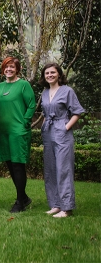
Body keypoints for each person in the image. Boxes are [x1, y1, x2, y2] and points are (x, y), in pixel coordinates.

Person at [39, 63, 84, 218]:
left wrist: (65, 127)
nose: (50, 75)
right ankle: (56, 205)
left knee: (63, 169)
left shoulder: (67, 91)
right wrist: (44, 126)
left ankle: (67, 208)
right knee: (50, 169)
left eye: (53, 72)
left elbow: (77, 112)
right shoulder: (44, 92)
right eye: (47, 73)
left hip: (62, 131)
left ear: (59, 74)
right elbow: (45, 113)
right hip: (48, 132)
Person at [0, 56, 36, 213]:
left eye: (12, 67)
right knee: (10, 164)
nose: (9, 69)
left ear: (17, 69)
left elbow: (31, 104)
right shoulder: (0, 86)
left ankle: (20, 202)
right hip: (3, 131)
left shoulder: (23, 85)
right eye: (6, 66)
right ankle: (24, 197)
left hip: (18, 131)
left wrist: (25, 122)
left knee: (18, 165)